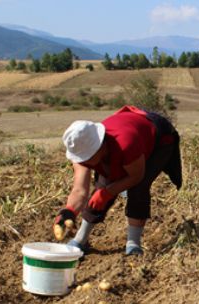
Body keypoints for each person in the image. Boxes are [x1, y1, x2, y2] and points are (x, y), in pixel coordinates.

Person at [53, 105, 182, 255]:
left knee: (138, 187)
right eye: (83, 158)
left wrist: (109, 192)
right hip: (128, 134)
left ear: (100, 146)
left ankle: (133, 243)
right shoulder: (80, 153)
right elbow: (79, 189)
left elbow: (136, 176)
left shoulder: (126, 144)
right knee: (103, 184)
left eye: (88, 157)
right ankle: (81, 239)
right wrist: (69, 211)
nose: (85, 161)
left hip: (158, 138)